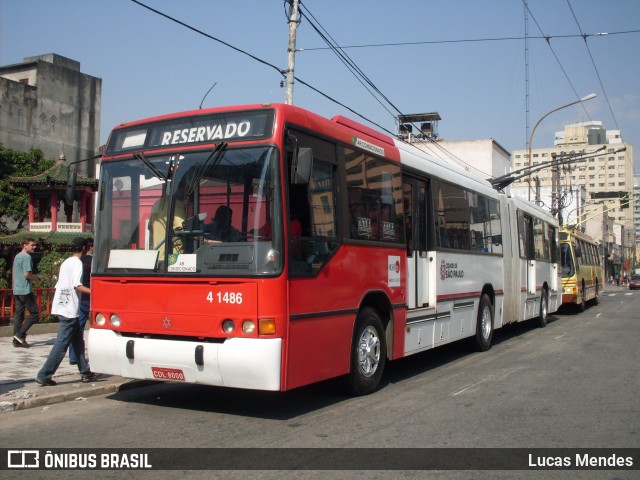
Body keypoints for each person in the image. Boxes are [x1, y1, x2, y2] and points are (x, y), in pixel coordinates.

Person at [35, 237, 99, 386]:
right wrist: (95, 291)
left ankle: (85, 372)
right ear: (84, 247)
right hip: (69, 309)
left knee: (77, 342)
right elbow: (77, 285)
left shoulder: (66, 261)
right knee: (61, 344)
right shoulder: (77, 263)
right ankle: (44, 374)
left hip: (64, 306)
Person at [12, 237, 40, 348]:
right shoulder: (26, 257)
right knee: (35, 314)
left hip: (17, 289)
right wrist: (36, 278)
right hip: (25, 289)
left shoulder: (17, 256)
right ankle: (20, 335)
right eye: (32, 245)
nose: (34, 247)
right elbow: (27, 274)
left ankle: (17, 340)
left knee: (19, 315)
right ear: (25, 245)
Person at [69, 238, 92, 365]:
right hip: (89, 297)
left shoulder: (71, 262)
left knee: (78, 329)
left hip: (79, 298)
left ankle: (74, 357)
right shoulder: (91, 261)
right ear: (88, 247)